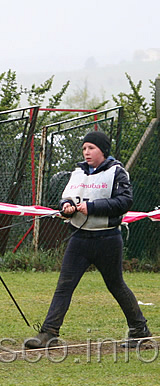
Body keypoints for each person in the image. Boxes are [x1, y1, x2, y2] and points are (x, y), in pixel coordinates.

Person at [24, 130, 151, 349]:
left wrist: (91, 207)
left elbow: (124, 202)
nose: (86, 152)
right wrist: (65, 207)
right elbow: (66, 196)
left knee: (116, 286)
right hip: (79, 238)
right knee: (64, 286)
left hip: (107, 239)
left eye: (91, 148)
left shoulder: (117, 172)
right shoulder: (78, 172)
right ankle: (49, 333)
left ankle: (139, 331)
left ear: (103, 150)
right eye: (84, 148)